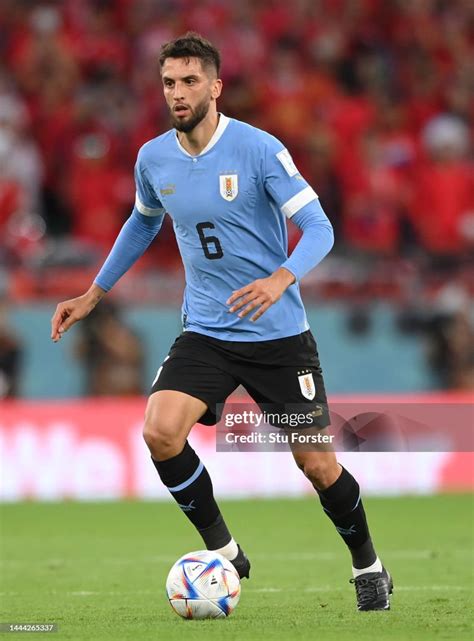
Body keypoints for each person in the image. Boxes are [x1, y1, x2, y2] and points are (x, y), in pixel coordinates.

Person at [51, 32, 392, 611]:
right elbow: (142, 224)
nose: (177, 94)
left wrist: (281, 278)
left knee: (317, 464)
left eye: (188, 82)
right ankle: (226, 552)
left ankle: (369, 565)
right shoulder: (153, 158)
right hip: (207, 329)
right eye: (168, 83)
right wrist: (93, 293)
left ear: (215, 86)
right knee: (160, 432)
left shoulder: (260, 150)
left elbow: (321, 228)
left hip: (278, 334)